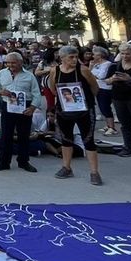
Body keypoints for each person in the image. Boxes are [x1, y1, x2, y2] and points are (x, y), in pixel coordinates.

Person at [45, 46, 102, 185]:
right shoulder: (55, 71)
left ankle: (94, 172)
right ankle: (66, 167)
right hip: (64, 110)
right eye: (71, 57)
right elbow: (53, 90)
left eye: (76, 57)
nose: (75, 60)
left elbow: (95, 87)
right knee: (66, 139)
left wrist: (86, 100)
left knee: (88, 140)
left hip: (84, 110)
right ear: (62, 58)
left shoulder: (83, 70)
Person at [0, 52, 44, 173]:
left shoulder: (29, 76)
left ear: (20, 62)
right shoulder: (2, 73)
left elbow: (36, 94)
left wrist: (33, 108)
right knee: (6, 135)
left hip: (25, 106)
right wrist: (0, 92)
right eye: (8, 62)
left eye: (13, 62)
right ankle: (4, 161)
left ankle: (24, 161)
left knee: (24, 136)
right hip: (7, 106)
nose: (10, 65)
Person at [89, 47, 117, 136]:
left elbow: (101, 76)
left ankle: (112, 127)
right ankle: (108, 124)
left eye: (94, 54)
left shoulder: (107, 64)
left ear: (100, 55)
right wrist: (91, 67)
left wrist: (93, 75)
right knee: (101, 107)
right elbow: (89, 73)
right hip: (97, 87)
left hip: (105, 88)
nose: (93, 56)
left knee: (105, 107)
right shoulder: (96, 64)